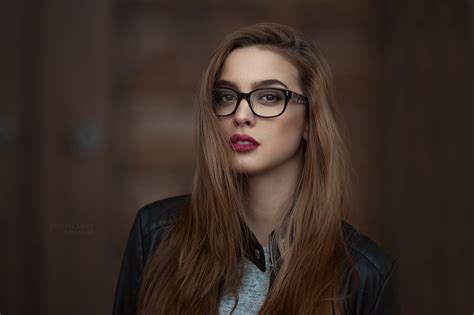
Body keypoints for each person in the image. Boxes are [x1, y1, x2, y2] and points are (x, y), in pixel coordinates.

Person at [112, 22, 401, 315]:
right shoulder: (155, 235)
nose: (241, 115)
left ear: (310, 121)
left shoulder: (366, 273)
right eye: (227, 96)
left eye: (269, 97)